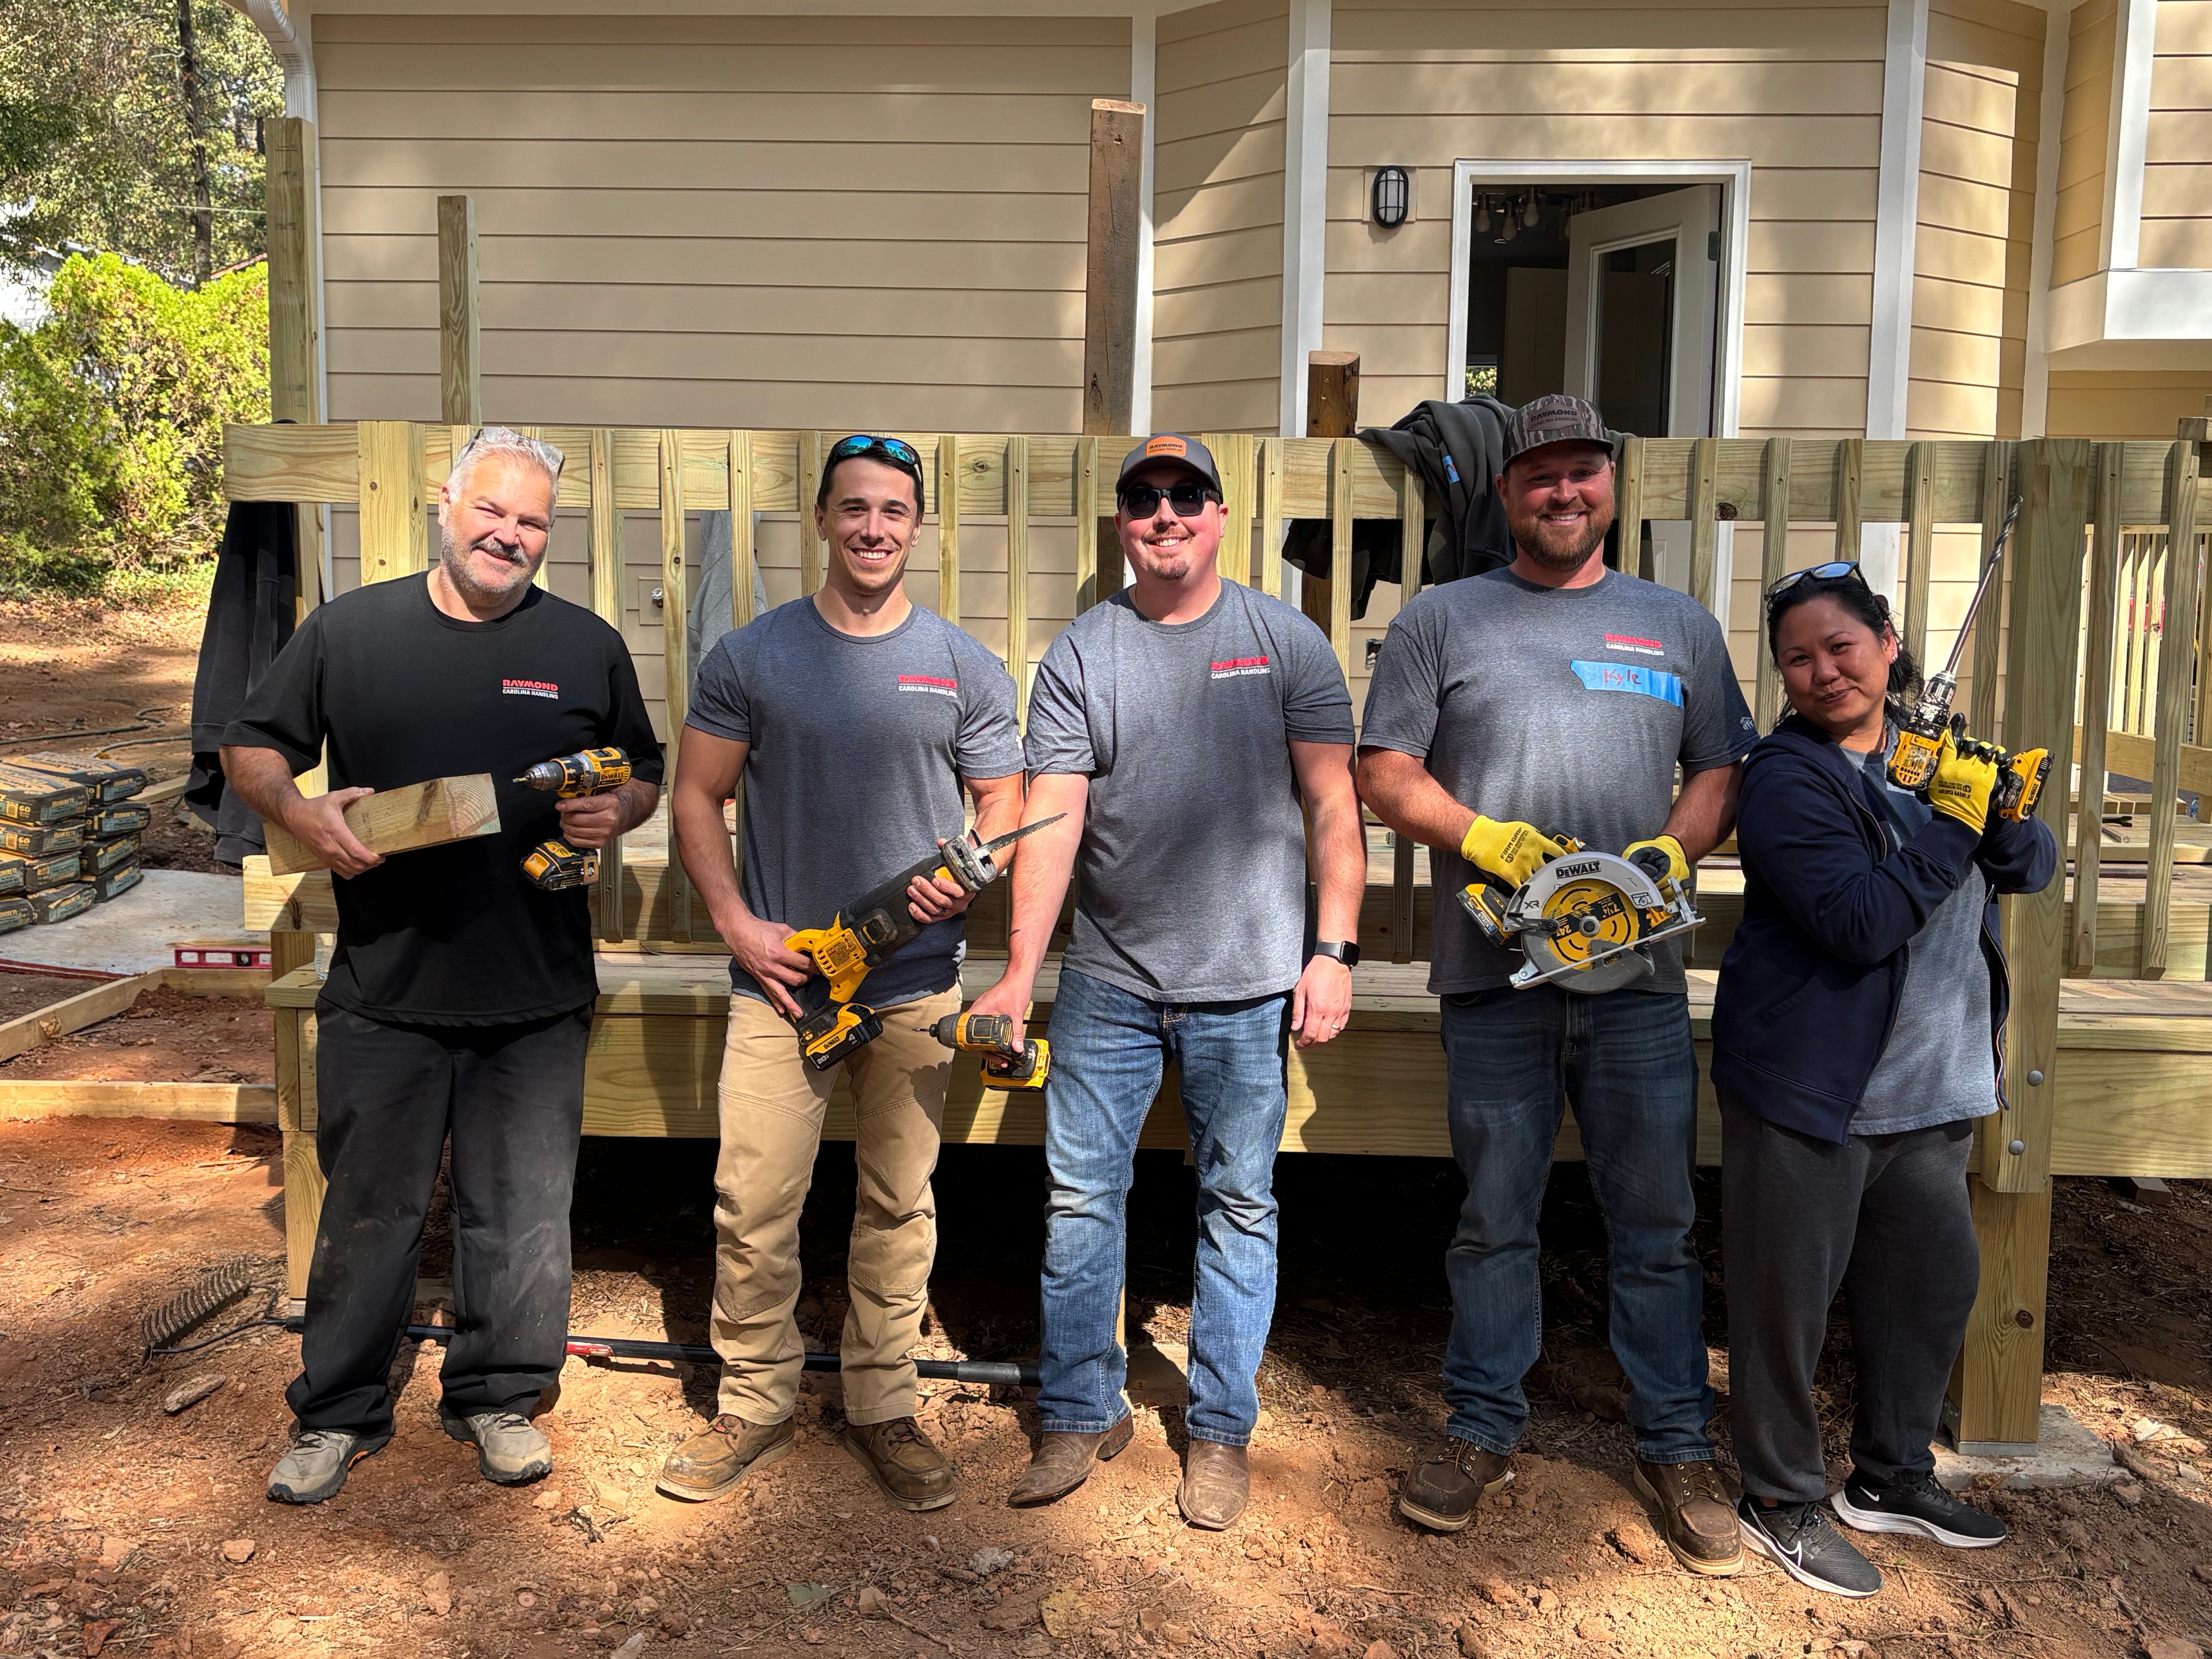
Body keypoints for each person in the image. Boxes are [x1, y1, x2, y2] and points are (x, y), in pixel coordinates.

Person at [223, 426, 664, 1504]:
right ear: (446, 504)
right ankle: (336, 1409)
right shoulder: (351, 632)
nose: (510, 535)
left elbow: (644, 770)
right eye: (493, 512)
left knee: (521, 1216)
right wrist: (296, 808)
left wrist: (624, 805)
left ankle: (499, 1394)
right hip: (387, 983)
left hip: (537, 990)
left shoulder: (586, 644)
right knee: (368, 1211)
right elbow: (251, 744)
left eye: (531, 522)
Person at [1357, 394, 1757, 1573]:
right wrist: (1486, 841)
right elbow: (1386, 770)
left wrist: (1672, 855)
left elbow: (1722, 767)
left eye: (1584, 472)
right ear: (1506, 493)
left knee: (1658, 1223)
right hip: (1495, 973)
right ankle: (1481, 1425)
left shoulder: (1676, 624)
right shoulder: (1444, 618)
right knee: (1494, 1219)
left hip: (1636, 978)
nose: (1563, 493)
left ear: (1611, 488)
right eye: (1541, 477)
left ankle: (1676, 1443)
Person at [968, 433, 1366, 1530]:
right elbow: (1050, 821)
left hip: (1250, 987)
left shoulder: (1284, 641)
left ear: (1221, 516)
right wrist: (1016, 973)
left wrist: (1332, 951)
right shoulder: (1086, 654)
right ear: (1122, 524)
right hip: (1109, 981)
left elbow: (1336, 805)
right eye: (1144, 499)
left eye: (1187, 495)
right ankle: (1077, 1412)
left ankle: (1222, 1431)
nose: (1166, 514)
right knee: (1081, 1200)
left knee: (1240, 1203)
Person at [659, 435, 1024, 1513]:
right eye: (855, 507)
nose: (874, 526)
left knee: (898, 1202)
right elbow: (694, 797)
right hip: (783, 982)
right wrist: (736, 923)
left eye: (895, 510)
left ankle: (883, 1404)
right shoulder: (754, 655)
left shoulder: (964, 665)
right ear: (821, 520)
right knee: (754, 1200)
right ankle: (756, 1403)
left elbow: (1002, 805)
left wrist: (970, 873)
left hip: (915, 978)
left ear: (919, 527)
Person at [1713, 564, 2053, 1596]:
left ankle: (1893, 1475)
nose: (1821, 671)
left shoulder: (1927, 752)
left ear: (1889, 641)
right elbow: (1860, 923)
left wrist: (2000, 809)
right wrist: (1953, 824)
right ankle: (1778, 1497)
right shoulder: (1783, 777)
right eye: (1797, 658)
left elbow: (2029, 869)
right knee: (1788, 1303)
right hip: (1817, 1089)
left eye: (1841, 647)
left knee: (1932, 1286)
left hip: (1933, 1082)